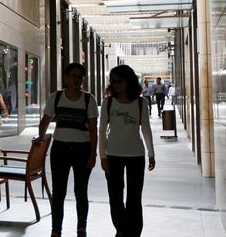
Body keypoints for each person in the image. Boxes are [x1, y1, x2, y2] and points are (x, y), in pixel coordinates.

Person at [37, 63, 98, 237]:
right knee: (59, 192)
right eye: (73, 76)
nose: (77, 80)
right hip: (60, 149)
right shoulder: (56, 97)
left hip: (82, 150)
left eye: (80, 77)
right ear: (66, 77)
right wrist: (40, 138)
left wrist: (93, 154)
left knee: (81, 191)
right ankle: (56, 230)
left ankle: (81, 228)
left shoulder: (89, 99)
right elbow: (45, 121)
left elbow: (93, 129)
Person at [99, 65, 155, 237]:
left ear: (129, 81)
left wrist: (151, 153)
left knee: (134, 198)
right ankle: (121, 229)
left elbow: (146, 128)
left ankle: (134, 232)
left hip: (136, 155)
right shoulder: (108, 102)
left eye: (119, 81)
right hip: (113, 155)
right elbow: (102, 130)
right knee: (115, 197)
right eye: (113, 81)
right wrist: (102, 155)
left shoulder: (141, 102)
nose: (115, 85)